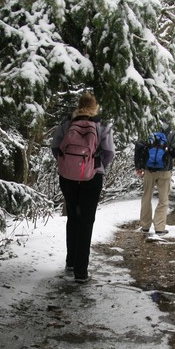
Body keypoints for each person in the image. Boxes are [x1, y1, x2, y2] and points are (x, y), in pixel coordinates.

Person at [51, 92, 115, 283]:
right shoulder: (102, 125)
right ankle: (81, 271)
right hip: (92, 178)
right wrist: (95, 165)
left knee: (73, 217)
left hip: (67, 178)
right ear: (96, 107)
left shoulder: (66, 123)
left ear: (79, 105)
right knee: (86, 221)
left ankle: (70, 262)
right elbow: (110, 152)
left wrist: (68, 166)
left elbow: (55, 147)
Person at [134, 121, 175, 235]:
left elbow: (138, 147)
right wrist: (169, 157)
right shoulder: (171, 133)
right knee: (163, 199)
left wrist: (138, 166)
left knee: (146, 197)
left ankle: (145, 226)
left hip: (148, 170)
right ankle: (160, 227)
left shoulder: (148, 129)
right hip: (165, 171)